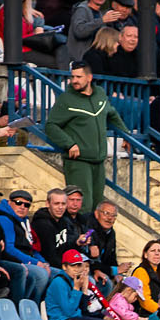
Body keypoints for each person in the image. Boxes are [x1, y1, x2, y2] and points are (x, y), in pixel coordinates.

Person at [44, 59, 128, 209]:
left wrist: (126, 135)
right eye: (72, 77)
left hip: (99, 160)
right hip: (78, 161)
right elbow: (51, 126)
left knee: (98, 206)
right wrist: (69, 144)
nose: (74, 81)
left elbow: (112, 114)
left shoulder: (100, 93)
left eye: (78, 77)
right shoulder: (66, 99)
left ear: (89, 77)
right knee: (83, 206)